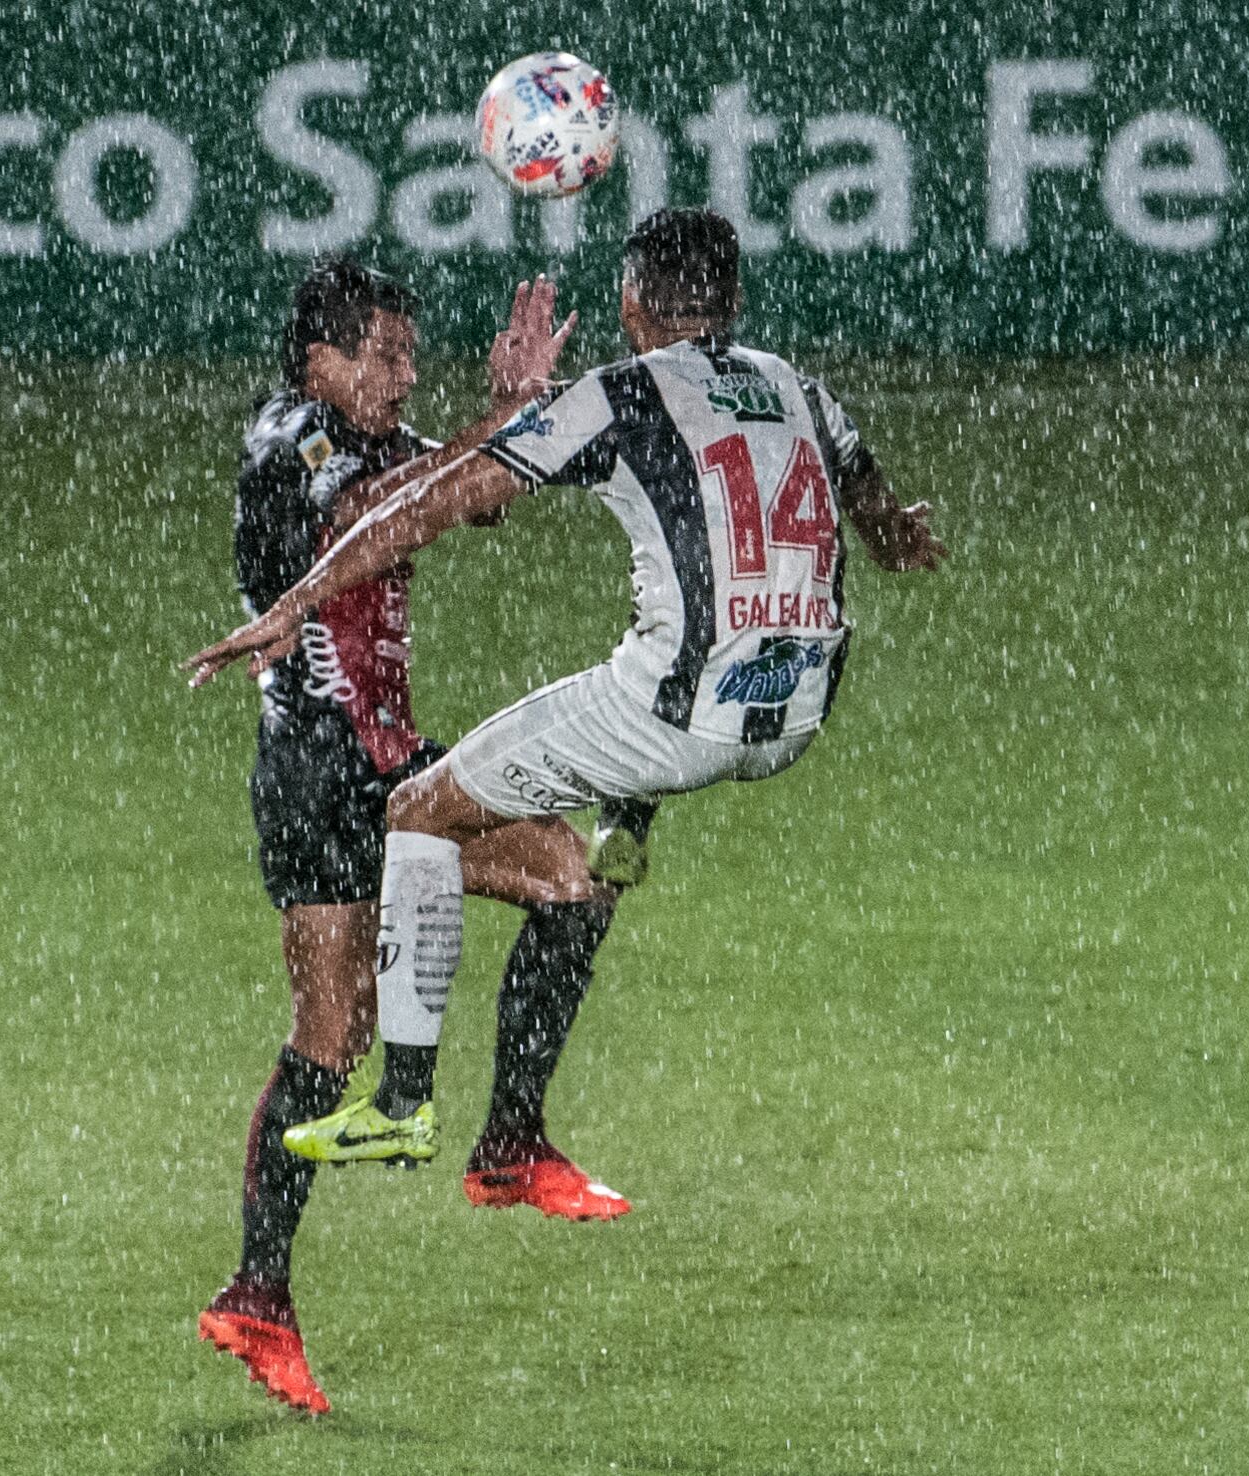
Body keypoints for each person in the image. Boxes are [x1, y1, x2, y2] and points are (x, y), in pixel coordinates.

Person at [186, 210, 947, 1187]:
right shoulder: (799, 387)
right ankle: (622, 830)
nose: (404, 373)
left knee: (422, 810)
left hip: (684, 715)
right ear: (732, 302)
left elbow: (436, 499)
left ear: (631, 303)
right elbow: (875, 510)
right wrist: (900, 536)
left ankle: (404, 1105)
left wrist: (296, 601)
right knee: (644, 669)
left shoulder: (621, 396)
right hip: (794, 709)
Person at [194, 257, 642, 1417]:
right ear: (321, 359)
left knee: (567, 879)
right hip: (315, 775)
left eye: (407, 356)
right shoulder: (289, 437)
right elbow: (373, 523)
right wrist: (485, 431)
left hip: (394, 768)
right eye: (384, 356)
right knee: (328, 1041)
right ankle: (258, 1291)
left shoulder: (377, 441)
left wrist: (512, 412)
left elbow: (472, 495)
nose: (402, 376)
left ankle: (510, 1145)